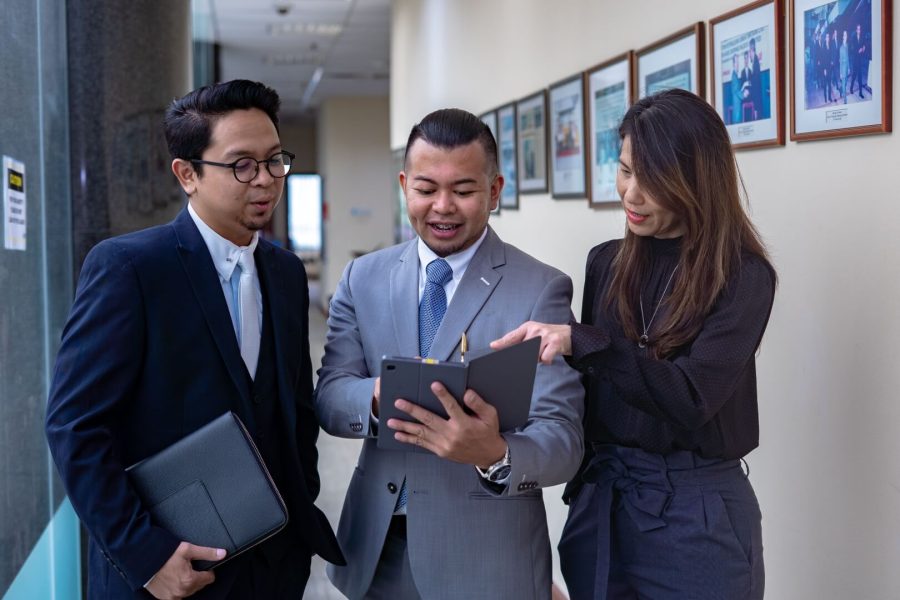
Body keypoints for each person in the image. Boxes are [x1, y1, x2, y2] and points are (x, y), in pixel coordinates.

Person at [45, 79, 343, 599]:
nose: (266, 181)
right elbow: (75, 426)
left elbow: (293, 410)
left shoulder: (286, 272)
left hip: (273, 567)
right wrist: (146, 554)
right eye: (241, 165)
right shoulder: (130, 268)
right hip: (171, 571)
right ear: (187, 174)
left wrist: (298, 509)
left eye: (275, 160)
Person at [492, 89, 776, 599]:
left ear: (696, 180)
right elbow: (587, 398)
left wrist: (586, 342)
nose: (631, 193)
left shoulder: (742, 277)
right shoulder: (606, 261)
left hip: (698, 513)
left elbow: (691, 399)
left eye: (653, 179)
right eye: (625, 170)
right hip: (605, 501)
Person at [315, 108, 584, 599]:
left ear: (495, 190)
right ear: (404, 186)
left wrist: (497, 455)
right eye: (425, 189)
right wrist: (377, 397)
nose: (442, 207)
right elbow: (331, 394)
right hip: (378, 552)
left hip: (484, 559)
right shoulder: (363, 277)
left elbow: (563, 439)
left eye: (463, 190)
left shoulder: (540, 288)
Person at [840, 30, 851, 103]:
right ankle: (845, 100)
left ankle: (841, 90)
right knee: (844, 83)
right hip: (843, 68)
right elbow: (840, 60)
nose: (845, 36)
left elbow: (848, 57)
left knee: (846, 82)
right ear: (842, 37)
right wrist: (840, 72)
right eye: (844, 35)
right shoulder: (841, 48)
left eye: (846, 35)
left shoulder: (847, 45)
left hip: (847, 67)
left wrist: (849, 67)